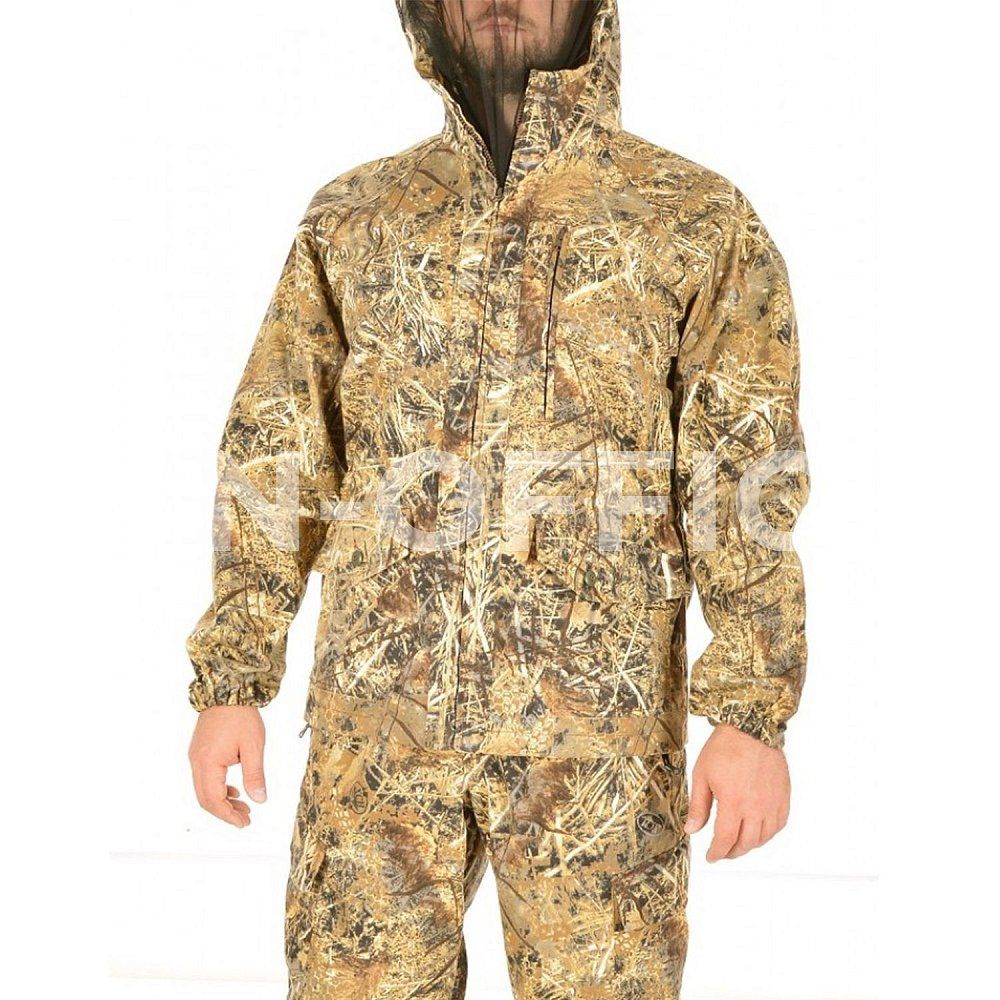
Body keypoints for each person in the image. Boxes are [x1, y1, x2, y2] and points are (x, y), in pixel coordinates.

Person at [186, 1, 810, 996]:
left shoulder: (692, 222)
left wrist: (750, 713)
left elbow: (745, 483)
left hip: (596, 753)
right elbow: (275, 453)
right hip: (376, 742)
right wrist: (233, 677)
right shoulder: (353, 220)